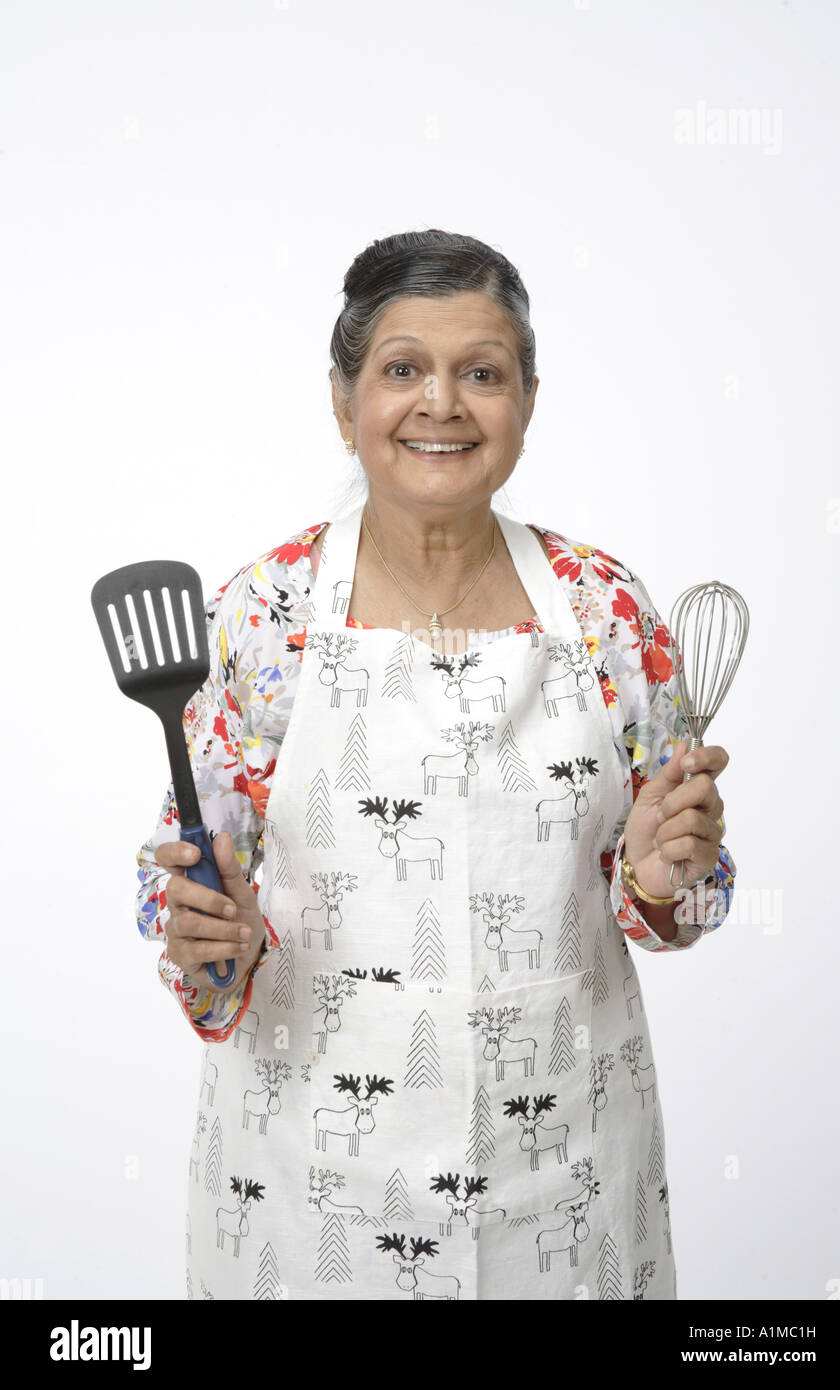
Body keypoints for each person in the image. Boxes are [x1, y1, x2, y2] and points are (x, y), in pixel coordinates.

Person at [135, 229, 735, 1301]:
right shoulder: (261, 618)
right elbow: (186, 891)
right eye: (402, 368)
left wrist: (657, 873)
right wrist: (203, 929)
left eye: (482, 373)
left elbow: (677, 901)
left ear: (529, 399)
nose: (441, 404)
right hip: (308, 1188)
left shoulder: (605, 611)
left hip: (565, 1182)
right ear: (343, 400)